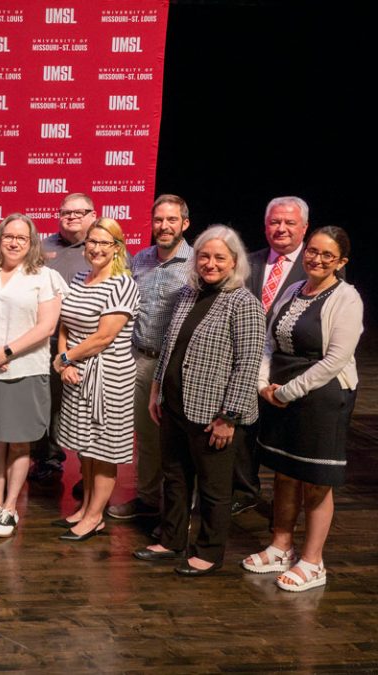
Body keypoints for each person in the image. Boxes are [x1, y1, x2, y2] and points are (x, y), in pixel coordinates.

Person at [135, 226, 265, 575]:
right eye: (204, 256)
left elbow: (248, 363)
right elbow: (170, 345)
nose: (210, 263)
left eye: (219, 257)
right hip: (175, 404)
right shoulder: (188, 293)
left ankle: (208, 551)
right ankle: (171, 539)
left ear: (234, 262)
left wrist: (229, 416)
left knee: (213, 488)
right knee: (174, 478)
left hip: (214, 414)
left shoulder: (245, 303)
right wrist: (156, 389)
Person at [242, 226, 361, 592]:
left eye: (327, 255)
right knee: (284, 473)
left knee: (316, 481)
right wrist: (264, 383)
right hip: (279, 392)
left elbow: (336, 359)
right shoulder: (294, 290)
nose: (317, 259)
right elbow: (267, 339)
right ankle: (281, 545)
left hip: (321, 397)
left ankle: (313, 561)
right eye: (313, 251)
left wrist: (288, 392)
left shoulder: (347, 298)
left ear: (341, 262)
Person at [0, 214, 65, 537]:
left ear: (31, 242)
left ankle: (10, 508)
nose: (14, 242)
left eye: (22, 237)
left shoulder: (44, 276)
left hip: (24, 370)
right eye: (9, 236)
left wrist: (5, 352)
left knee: (19, 443)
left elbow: (47, 327)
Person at [51, 218, 138, 542]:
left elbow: (103, 338)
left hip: (109, 377)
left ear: (117, 248)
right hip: (76, 373)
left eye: (105, 243)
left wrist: (64, 359)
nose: (97, 248)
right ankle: (85, 507)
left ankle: (95, 516)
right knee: (85, 448)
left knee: (104, 450)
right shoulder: (78, 277)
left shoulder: (122, 284)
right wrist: (65, 362)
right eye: (93, 242)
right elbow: (64, 326)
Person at [108, 195, 193, 521]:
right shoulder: (140, 259)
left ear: (184, 223)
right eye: (159, 220)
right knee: (146, 437)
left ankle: (179, 507)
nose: (164, 226)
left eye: (172, 220)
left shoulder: (198, 261)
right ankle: (147, 499)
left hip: (180, 365)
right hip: (142, 360)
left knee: (181, 438)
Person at [234, 196, 311, 515]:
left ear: (304, 228)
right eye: (274, 222)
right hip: (244, 362)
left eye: (289, 223)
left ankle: (288, 506)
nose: (281, 229)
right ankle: (243, 490)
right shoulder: (247, 262)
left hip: (289, 367)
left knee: (286, 441)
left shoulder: (316, 263)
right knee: (240, 432)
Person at [32, 193, 97, 486]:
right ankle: (47, 459)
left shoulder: (102, 247)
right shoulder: (41, 247)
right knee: (46, 403)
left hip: (90, 342)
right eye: (65, 212)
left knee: (88, 407)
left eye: (78, 212)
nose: (70, 217)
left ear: (93, 215)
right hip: (44, 342)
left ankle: (89, 470)